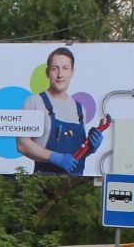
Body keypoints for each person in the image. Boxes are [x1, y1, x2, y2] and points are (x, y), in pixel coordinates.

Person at [17, 47, 101, 175]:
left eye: (65, 68)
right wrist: (55, 157)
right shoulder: (34, 103)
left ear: (72, 72)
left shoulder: (80, 109)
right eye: (55, 68)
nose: (60, 74)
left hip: (75, 185)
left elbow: (77, 154)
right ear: (47, 72)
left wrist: (91, 147)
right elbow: (22, 144)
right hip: (43, 183)